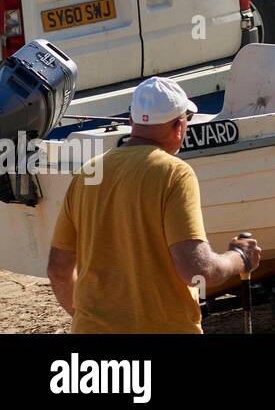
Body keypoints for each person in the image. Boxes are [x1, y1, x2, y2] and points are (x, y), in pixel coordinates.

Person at [46, 76, 262, 333]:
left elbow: (58, 270)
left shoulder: (89, 173)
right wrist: (239, 258)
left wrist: (89, 318)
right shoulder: (173, 173)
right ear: (179, 125)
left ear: (131, 122)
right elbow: (197, 269)